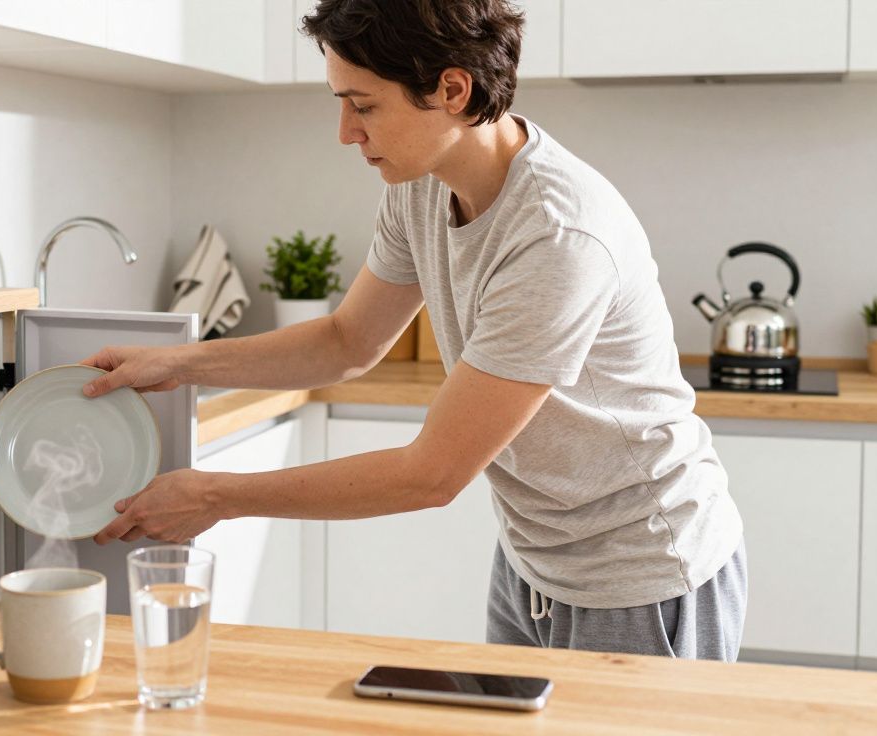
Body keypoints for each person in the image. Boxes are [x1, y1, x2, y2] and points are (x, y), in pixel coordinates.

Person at [80, 0, 746, 662]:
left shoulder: (556, 234)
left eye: (363, 105)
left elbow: (431, 474)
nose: (346, 132)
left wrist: (216, 496)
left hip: (639, 575)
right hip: (531, 564)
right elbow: (348, 341)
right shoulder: (421, 184)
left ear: (452, 91)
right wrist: (178, 365)